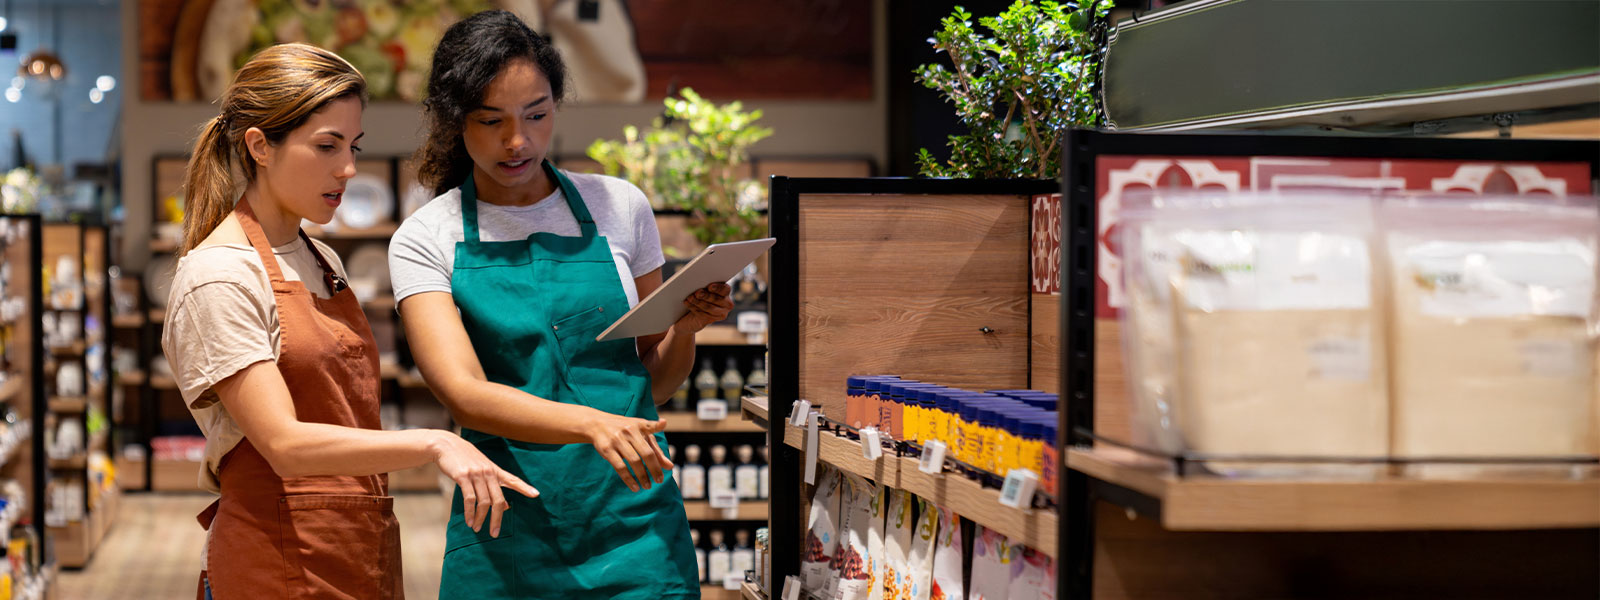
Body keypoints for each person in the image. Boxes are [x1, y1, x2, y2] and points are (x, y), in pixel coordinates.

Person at [161, 43, 536, 600]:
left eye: (353, 146)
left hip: (355, 546)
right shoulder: (220, 275)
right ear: (260, 146)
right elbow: (284, 444)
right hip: (275, 563)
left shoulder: (323, 261)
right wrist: (434, 443)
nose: (349, 169)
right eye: (326, 146)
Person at [389, 10, 730, 599]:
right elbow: (463, 393)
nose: (517, 140)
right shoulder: (426, 237)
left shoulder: (620, 207)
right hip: (507, 522)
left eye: (536, 114)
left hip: (633, 521)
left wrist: (687, 329)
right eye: (491, 120)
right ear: (454, 120)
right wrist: (591, 424)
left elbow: (652, 383)